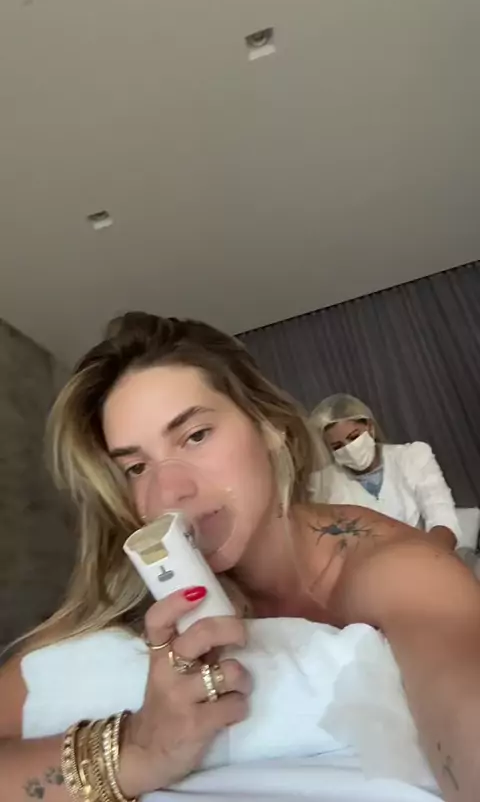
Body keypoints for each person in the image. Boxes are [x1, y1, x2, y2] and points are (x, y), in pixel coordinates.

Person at [1, 312, 479, 802]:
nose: (168, 492)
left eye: (196, 435)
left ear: (269, 425)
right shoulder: (135, 602)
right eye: (137, 467)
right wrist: (137, 752)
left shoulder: (403, 570)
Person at [310, 394, 460, 552]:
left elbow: (441, 513)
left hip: (427, 553)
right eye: (337, 446)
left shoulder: (412, 456)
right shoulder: (323, 483)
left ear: (370, 427)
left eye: (353, 437)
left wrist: (433, 555)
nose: (348, 448)